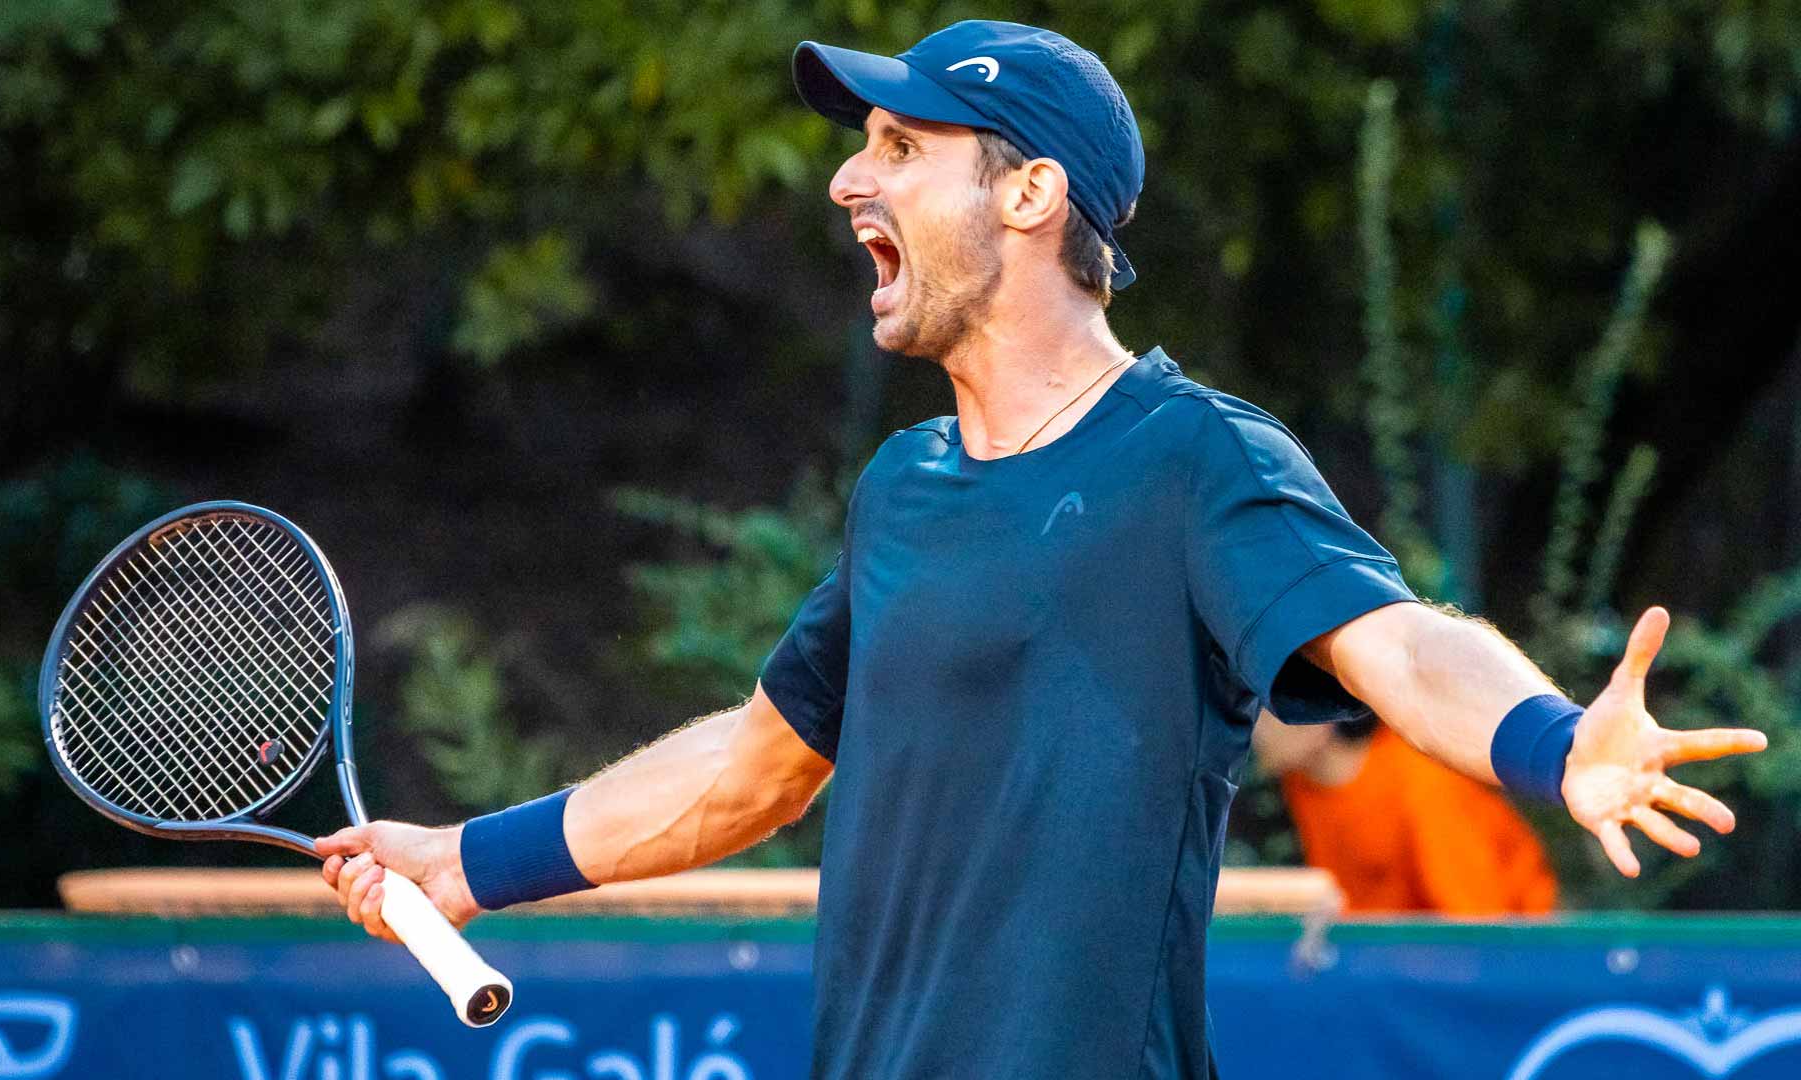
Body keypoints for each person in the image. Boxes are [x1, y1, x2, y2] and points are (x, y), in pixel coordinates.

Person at [314, 20, 1767, 1079]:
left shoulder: (1195, 459)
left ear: (1029, 195)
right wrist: (463, 863)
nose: (845, 181)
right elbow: (755, 765)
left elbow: (1394, 641)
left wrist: (1554, 739)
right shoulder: (905, 488)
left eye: (899, 146)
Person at [1254, 711, 1558, 915]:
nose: (1257, 733)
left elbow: (1477, 921)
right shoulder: (1302, 784)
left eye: (1265, 714)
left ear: (1318, 715)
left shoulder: (1419, 776)